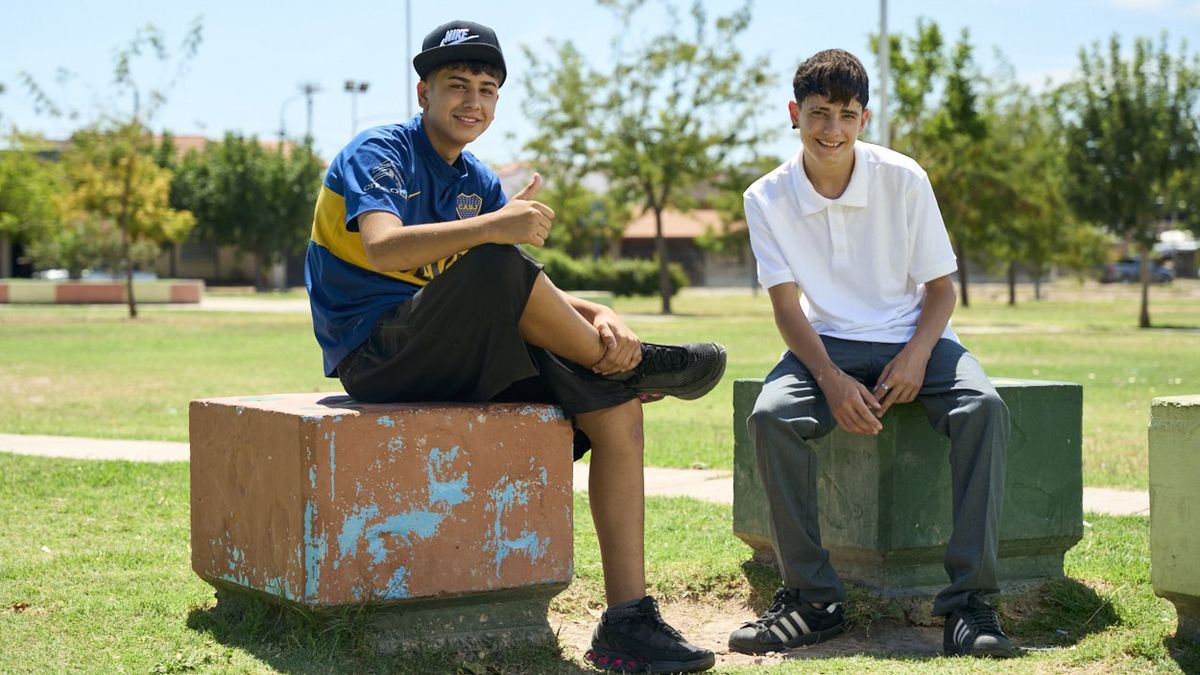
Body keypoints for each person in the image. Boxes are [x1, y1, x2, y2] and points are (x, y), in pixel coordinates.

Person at [303, 20, 722, 674]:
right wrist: (498, 226)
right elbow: (385, 244)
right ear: (423, 92)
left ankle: (627, 622)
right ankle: (630, 366)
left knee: (616, 412)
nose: (473, 100)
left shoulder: (477, 178)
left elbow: (529, 290)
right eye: (457, 85)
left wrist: (601, 312)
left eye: (487, 89)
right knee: (498, 267)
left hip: (452, 344)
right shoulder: (378, 152)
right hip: (377, 354)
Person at [727, 48, 1015, 659]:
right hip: (824, 339)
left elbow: (941, 290)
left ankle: (969, 605)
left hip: (914, 331)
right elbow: (786, 307)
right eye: (819, 113)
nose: (832, 129)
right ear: (793, 114)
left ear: (865, 118)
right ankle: (813, 600)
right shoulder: (766, 197)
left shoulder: (903, 178)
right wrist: (830, 380)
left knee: (984, 409)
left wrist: (915, 355)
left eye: (846, 115)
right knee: (771, 417)